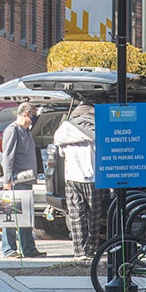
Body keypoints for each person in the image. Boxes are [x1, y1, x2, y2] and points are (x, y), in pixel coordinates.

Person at [53, 104, 108, 260]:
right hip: (92, 179)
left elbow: (62, 153)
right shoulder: (96, 131)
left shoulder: (64, 132)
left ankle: (79, 252)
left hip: (72, 178)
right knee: (94, 217)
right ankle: (91, 250)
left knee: (76, 217)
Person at [0, 102, 46, 259]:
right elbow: (8, 156)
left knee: (26, 216)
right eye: (33, 115)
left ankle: (28, 249)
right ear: (26, 114)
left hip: (27, 180)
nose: (34, 119)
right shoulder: (12, 130)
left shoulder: (26, 131)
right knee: (11, 216)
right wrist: (7, 179)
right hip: (15, 181)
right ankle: (9, 249)